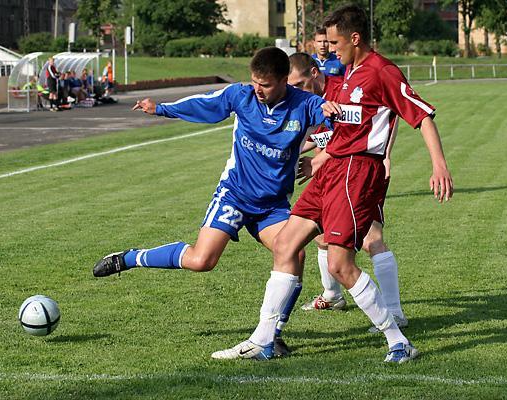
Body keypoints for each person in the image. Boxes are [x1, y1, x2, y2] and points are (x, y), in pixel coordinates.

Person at [213, 5, 453, 363]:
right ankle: (263, 340)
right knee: (285, 245)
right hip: (331, 171)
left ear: (355, 38)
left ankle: (398, 342)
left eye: (335, 41)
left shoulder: (382, 72)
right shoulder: (344, 74)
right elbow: (338, 130)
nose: (329, 48)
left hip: (357, 173)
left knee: (342, 265)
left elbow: (422, 115)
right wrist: (317, 155)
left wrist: (439, 164)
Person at [92, 47, 331, 359]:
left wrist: (321, 155)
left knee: (294, 254)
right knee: (201, 261)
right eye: (255, 82)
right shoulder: (241, 96)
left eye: (266, 84)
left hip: (272, 205)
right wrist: (161, 109)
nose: (258, 89)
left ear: (285, 80)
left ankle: (272, 336)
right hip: (234, 195)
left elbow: (345, 128)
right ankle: (130, 258)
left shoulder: (305, 104)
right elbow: (204, 104)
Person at [288, 53, 408, 333]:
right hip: (336, 173)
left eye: (300, 83)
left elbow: (378, 120)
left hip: (363, 171)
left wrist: (386, 154)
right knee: (319, 236)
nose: (296, 90)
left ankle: (394, 314)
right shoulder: (315, 96)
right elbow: (328, 136)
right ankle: (332, 296)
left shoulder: (347, 84)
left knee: (372, 240)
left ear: (315, 72)